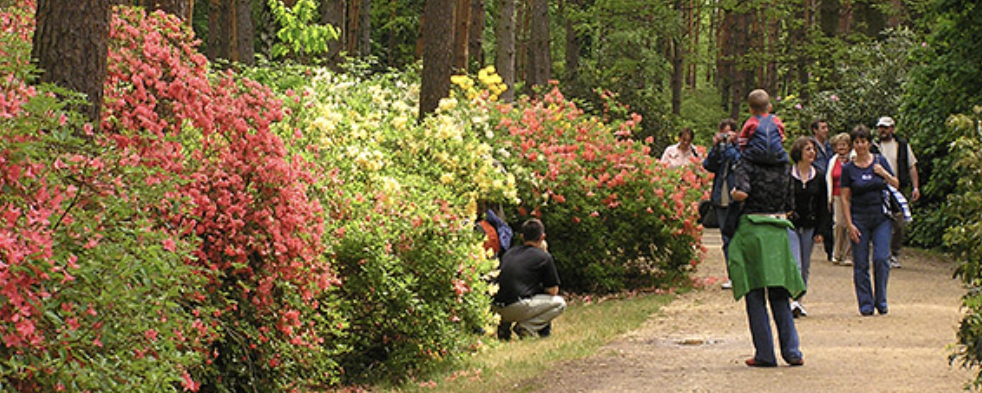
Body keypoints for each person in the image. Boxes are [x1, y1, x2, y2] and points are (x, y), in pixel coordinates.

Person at [727, 155, 806, 367]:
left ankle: (765, 353)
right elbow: (790, 204)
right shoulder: (784, 165)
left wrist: (734, 195)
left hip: (751, 230)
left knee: (755, 295)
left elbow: (742, 192)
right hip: (778, 229)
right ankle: (792, 352)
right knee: (780, 294)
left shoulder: (746, 162)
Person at [840, 125, 899, 316]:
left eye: (863, 141)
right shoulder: (848, 169)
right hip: (859, 217)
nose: (860, 146)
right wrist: (849, 224)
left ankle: (881, 299)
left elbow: (896, 184)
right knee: (861, 263)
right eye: (856, 142)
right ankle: (865, 303)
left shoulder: (880, 162)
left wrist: (884, 173)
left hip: (881, 217)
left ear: (869, 143)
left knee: (881, 258)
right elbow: (845, 198)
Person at [492, 219, 566, 339]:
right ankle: (527, 327)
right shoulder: (544, 257)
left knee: (512, 291)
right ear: (543, 237)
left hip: (495, 308)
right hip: (515, 309)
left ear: (522, 237)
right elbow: (553, 291)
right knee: (559, 303)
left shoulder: (509, 253)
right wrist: (545, 251)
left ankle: (504, 329)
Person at [787, 137, 830, 318]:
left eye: (813, 149)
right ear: (799, 153)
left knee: (805, 265)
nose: (812, 152)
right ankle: (792, 300)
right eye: (807, 149)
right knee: (795, 262)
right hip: (791, 224)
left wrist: (821, 230)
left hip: (810, 225)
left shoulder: (819, 176)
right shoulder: (788, 174)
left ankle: (800, 300)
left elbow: (823, 205)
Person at [872, 116, 919, 269]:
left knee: (898, 223)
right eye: (881, 127)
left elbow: (912, 166)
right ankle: (882, 253)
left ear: (892, 128)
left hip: (898, 189)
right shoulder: (874, 146)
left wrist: (915, 187)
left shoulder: (903, 146)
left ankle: (894, 253)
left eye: (886, 127)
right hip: (877, 189)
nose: (883, 130)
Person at [703, 118, 741, 290]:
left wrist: (731, 145)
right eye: (723, 133)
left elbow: (737, 162)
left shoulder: (740, 148)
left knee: (739, 238)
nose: (726, 137)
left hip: (736, 198)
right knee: (726, 239)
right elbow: (708, 166)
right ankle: (732, 275)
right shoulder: (720, 148)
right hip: (720, 197)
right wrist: (716, 147)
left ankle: (743, 274)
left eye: (729, 133)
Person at [737, 89, 788, 165]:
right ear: (770, 108)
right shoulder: (776, 120)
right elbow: (782, 138)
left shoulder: (751, 122)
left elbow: (742, 141)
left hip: (755, 158)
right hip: (777, 158)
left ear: (751, 110)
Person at [825, 132, 853, 266]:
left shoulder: (853, 159)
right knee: (838, 224)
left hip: (851, 196)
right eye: (839, 145)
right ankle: (836, 253)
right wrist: (829, 198)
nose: (841, 147)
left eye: (844, 144)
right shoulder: (832, 161)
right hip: (836, 195)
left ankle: (848, 255)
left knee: (850, 225)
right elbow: (829, 179)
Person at [810, 119, 834, 262]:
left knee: (829, 214)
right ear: (815, 130)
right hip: (817, 182)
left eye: (827, 127)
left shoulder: (829, 146)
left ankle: (830, 249)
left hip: (829, 183)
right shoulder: (811, 146)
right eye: (823, 127)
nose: (826, 130)